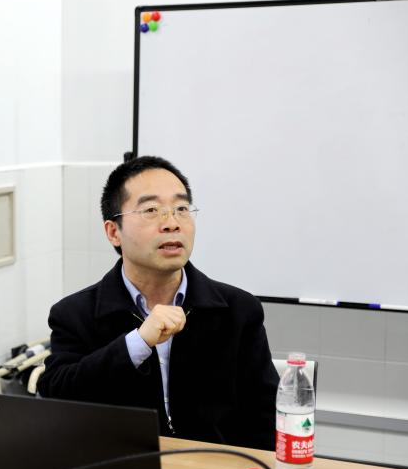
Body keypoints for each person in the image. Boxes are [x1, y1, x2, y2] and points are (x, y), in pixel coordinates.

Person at [37, 156, 279, 451]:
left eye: (181, 209)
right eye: (151, 210)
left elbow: (267, 419)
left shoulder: (238, 311)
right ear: (114, 232)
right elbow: (57, 399)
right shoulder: (74, 314)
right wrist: (138, 343)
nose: (172, 224)